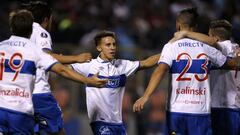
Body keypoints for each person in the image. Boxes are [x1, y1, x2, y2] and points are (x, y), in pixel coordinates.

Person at [133, 8, 240, 135]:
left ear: (178, 24)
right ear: (196, 27)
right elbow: (233, 63)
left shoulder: (171, 47)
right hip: (201, 111)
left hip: (176, 111)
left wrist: (145, 95)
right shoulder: (207, 49)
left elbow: (160, 70)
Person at [0, 10, 107, 135]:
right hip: (19, 112)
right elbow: (61, 70)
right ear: (31, 30)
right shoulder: (34, 51)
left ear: (12, 28)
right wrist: (88, 80)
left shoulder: (1, 46)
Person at [22, 1, 93, 135]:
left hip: (20, 93)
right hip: (39, 94)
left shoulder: (22, 33)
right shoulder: (41, 32)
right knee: (58, 131)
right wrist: (76, 58)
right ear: (46, 19)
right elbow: (45, 55)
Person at [70, 30, 160, 135]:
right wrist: (83, 76)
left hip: (118, 124)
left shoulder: (122, 65)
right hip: (100, 123)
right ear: (99, 48)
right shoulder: (89, 66)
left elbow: (146, 63)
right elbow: (61, 68)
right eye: (108, 45)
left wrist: (167, 52)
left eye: (114, 44)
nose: (112, 47)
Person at [174, 20, 240, 135]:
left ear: (215, 38)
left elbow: (213, 43)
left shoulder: (222, 47)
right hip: (235, 107)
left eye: (209, 35)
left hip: (219, 107)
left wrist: (186, 33)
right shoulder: (237, 48)